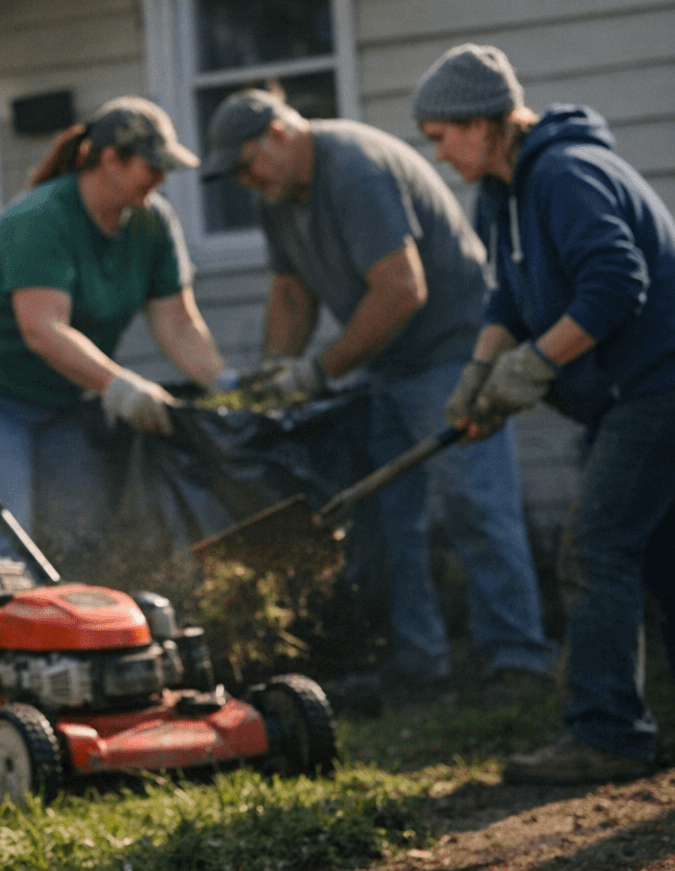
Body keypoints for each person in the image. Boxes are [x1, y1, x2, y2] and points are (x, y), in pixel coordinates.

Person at [200, 87, 556, 695]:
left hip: (453, 349)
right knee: (390, 516)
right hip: (384, 361)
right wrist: (277, 368)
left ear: (281, 135)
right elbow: (290, 293)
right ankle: (419, 662)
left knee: (473, 503)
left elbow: (401, 290)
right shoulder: (278, 194)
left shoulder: (354, 168)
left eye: (247, 164)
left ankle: (519, 660)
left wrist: (318, 373)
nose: (245, 181)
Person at [414, 42, 675, 784]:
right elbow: (508, 299)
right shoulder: (504, 194)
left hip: (660, 383)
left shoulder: (566, 174)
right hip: (633, 393)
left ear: (483, 121)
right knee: (657, 557)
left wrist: (535, 365)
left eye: (440, 136)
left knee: (594, 549)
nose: (437, 153)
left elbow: (617, 282)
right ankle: (621, 728)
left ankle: (606, 735)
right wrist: (479, 375)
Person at [0, 96, 229, 576]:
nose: (162, 178)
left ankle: (78, 648)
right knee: (3, 546)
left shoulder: (152, 224)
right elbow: (43, 331)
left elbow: (179, 325)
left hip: (63, 402)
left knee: (80, 538)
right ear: (110, 160)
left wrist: (225, 385)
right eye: (153, 166)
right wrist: (121, 386)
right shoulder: (42, 219)